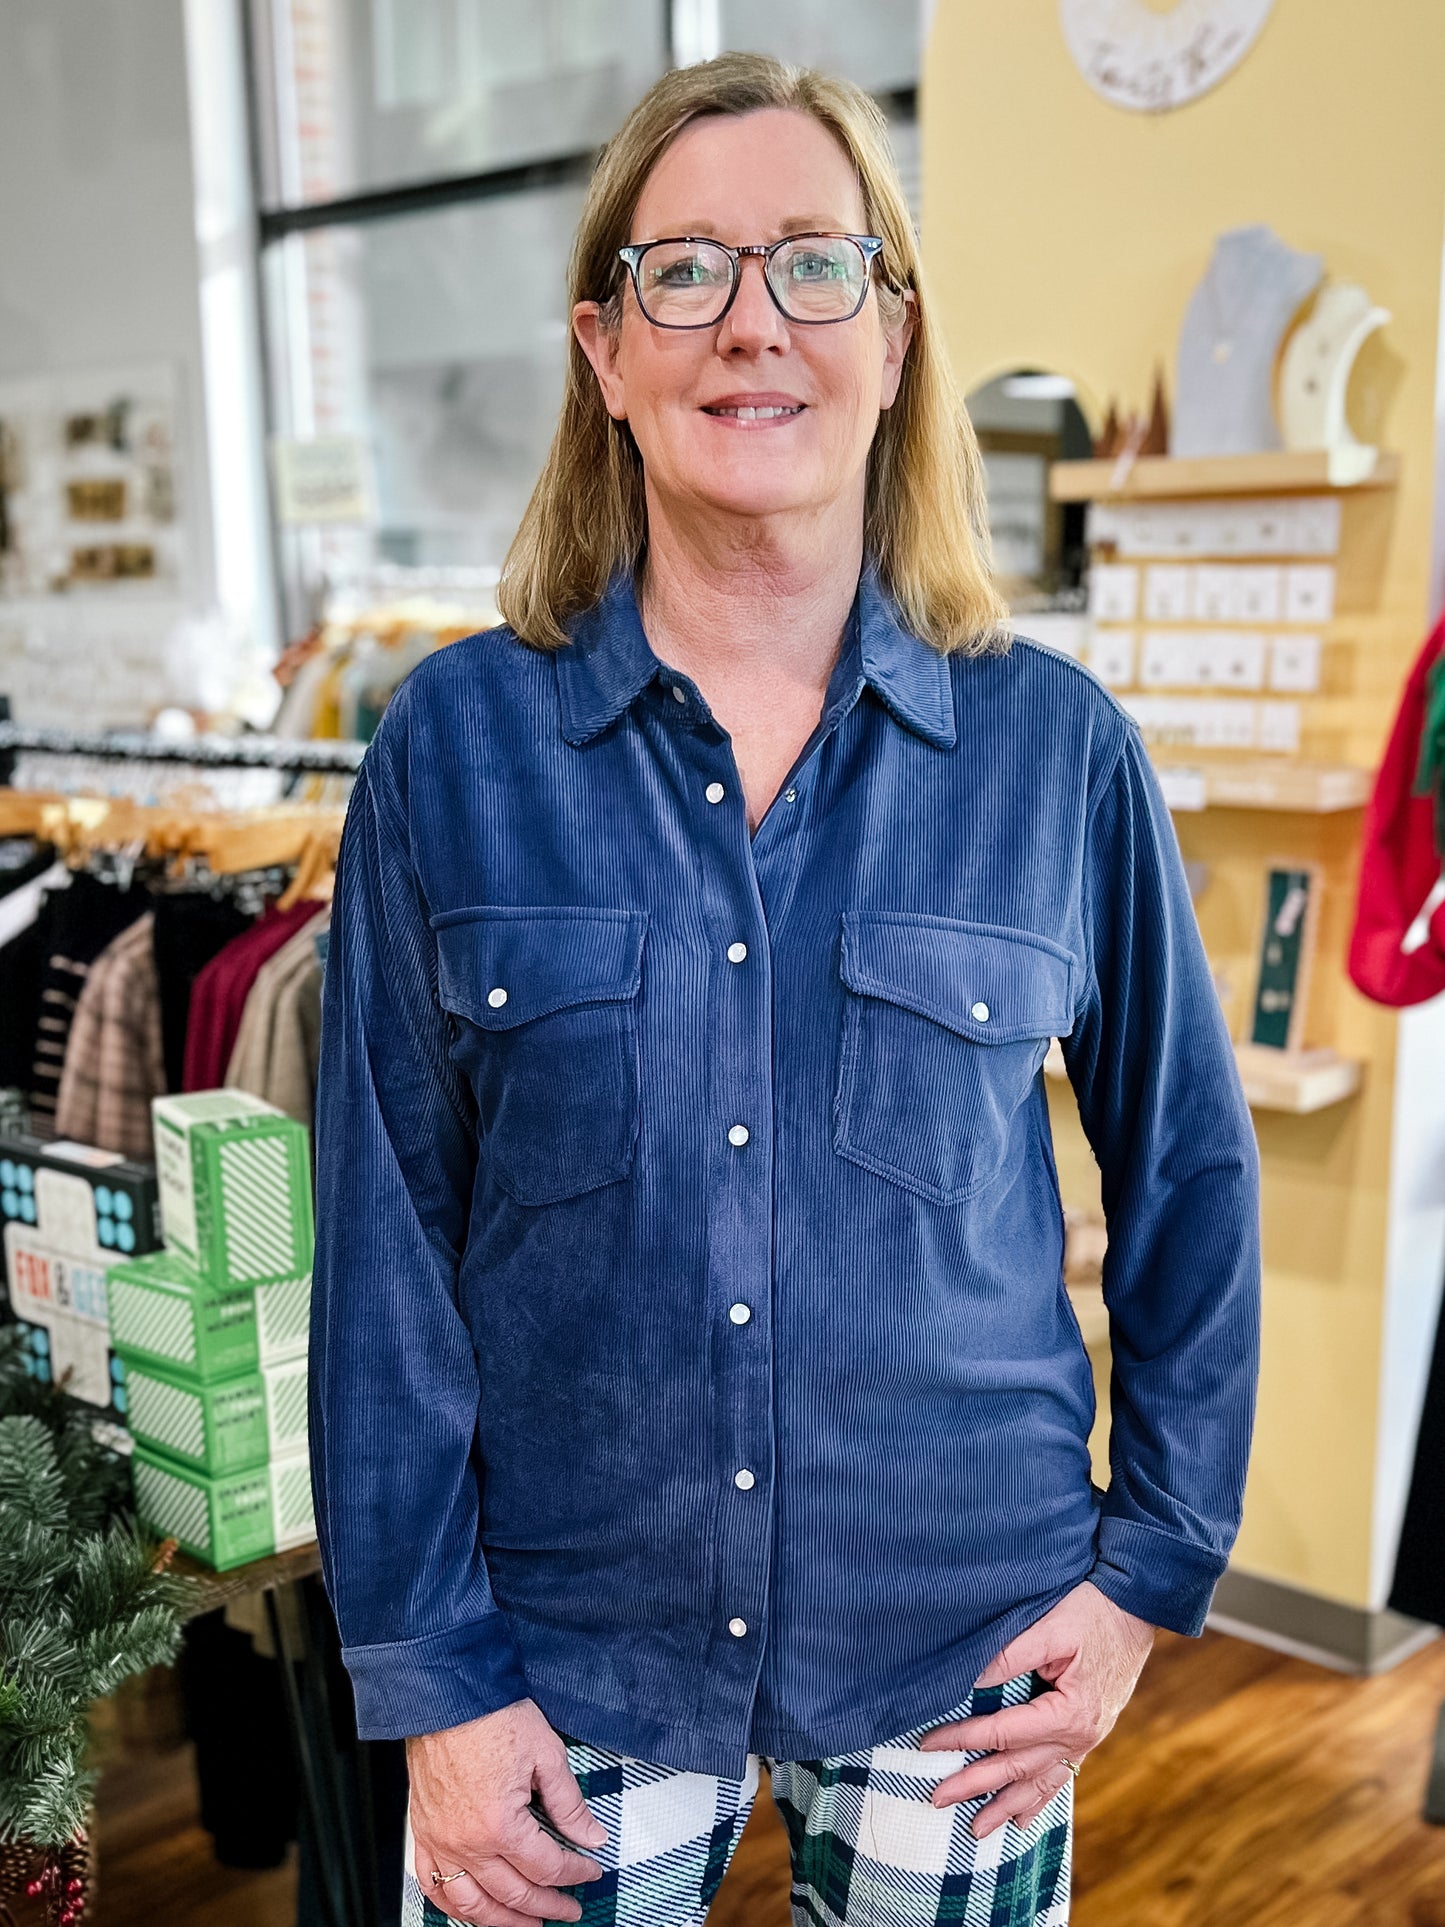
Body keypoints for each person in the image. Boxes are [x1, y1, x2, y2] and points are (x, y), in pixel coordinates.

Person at [311, 52, 1261, 1927]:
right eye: (684, 271)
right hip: (552, 1649)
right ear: (603, 349)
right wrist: (431, 1672)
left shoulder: (1053, 754)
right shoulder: (455, 749)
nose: (754, 325)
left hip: (966, 1643)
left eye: (815, 264)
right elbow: (386, 1246)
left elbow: (1186, 1178)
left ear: (892, 337)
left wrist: (1147, 1573)